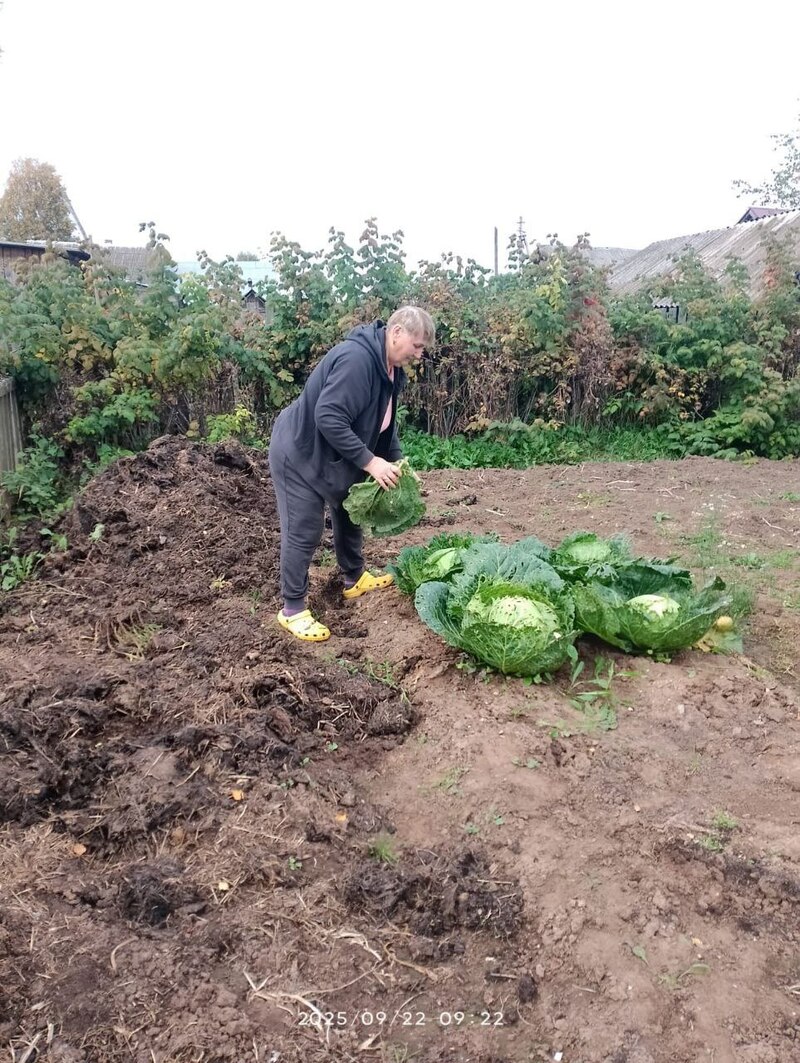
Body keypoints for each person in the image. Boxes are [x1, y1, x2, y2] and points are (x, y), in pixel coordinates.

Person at [268, 305, 436, 642]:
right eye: (417, 346)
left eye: (422, 349)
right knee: (305, 528)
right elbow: (328, 416)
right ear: (397, 332)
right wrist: (371, 462)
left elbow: (385, 425)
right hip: (300, 451)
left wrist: (398, 464)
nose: (419, 354)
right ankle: (293, 609)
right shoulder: (357, 361)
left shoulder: (391, 370)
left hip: (332, 454)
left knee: (350, 507)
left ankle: (354, 578)